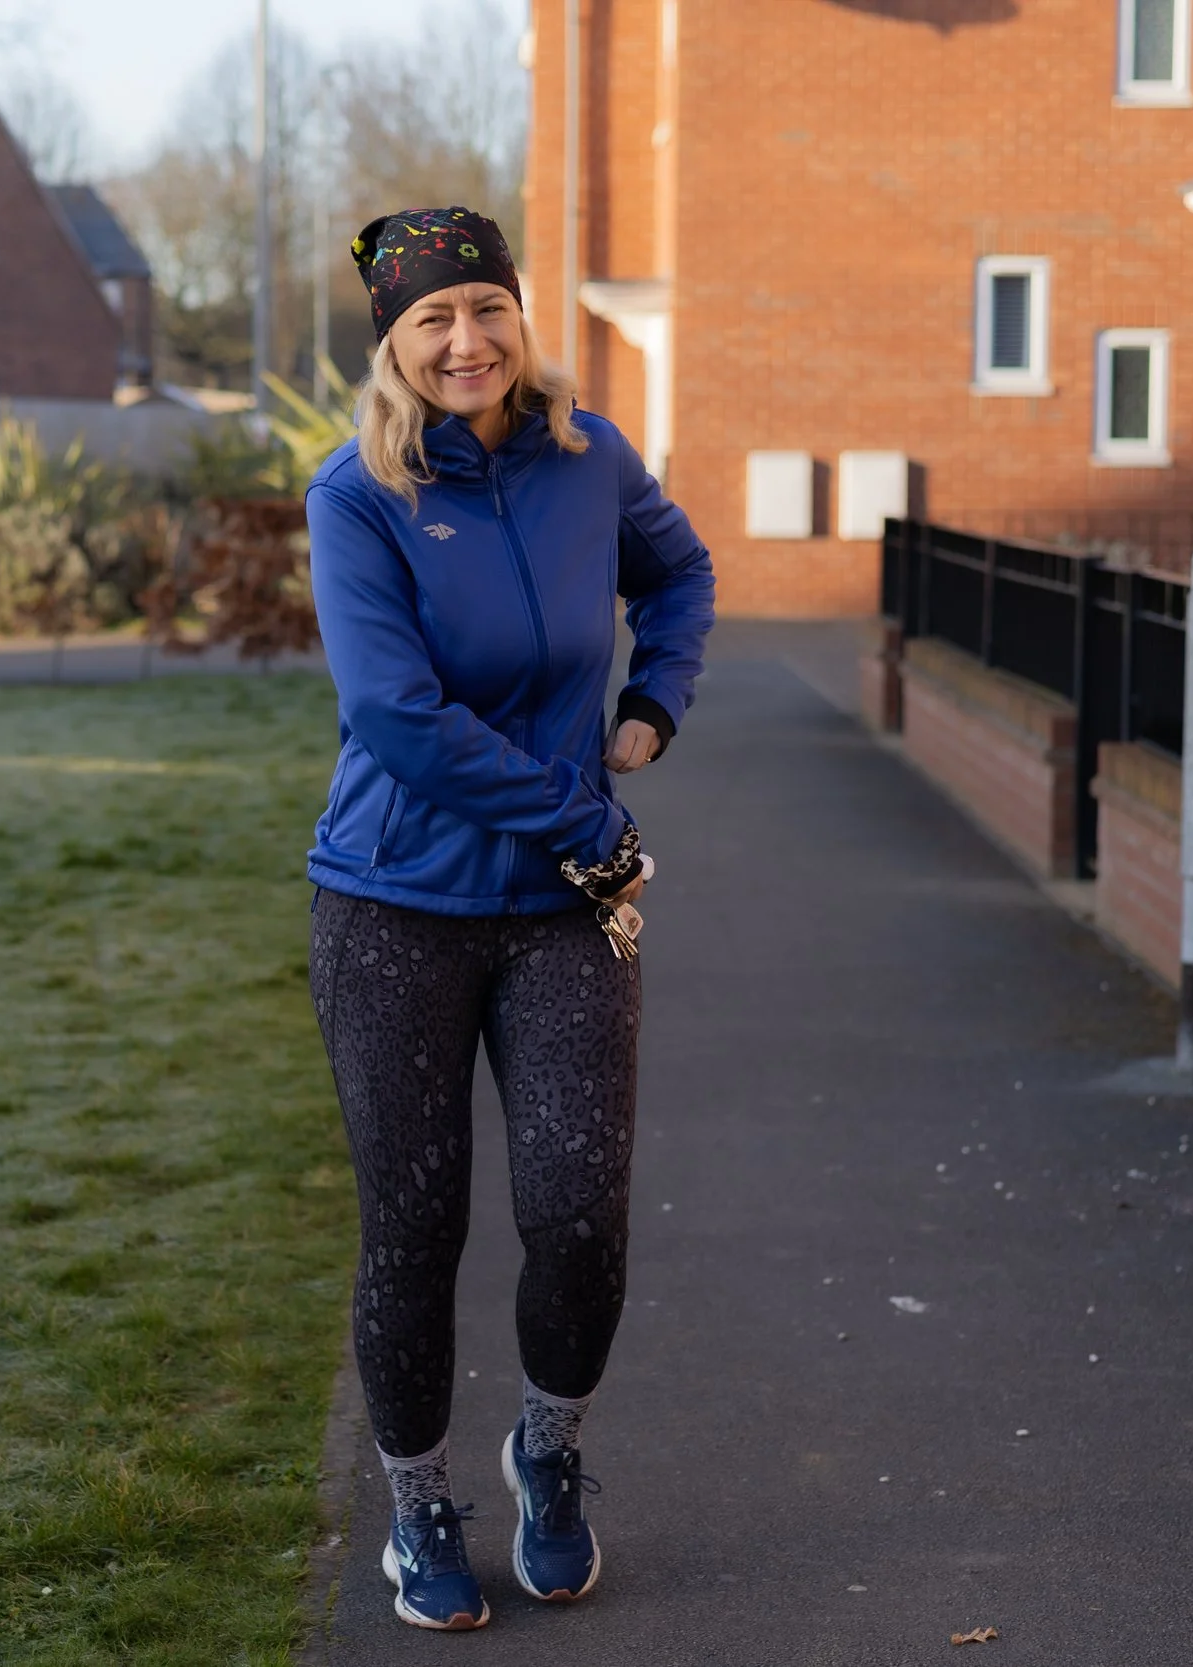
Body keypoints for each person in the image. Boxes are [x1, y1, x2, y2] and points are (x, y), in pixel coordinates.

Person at [304, 205, 716, 1631]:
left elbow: (682, 571)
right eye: (432, 320)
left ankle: (547, 1451)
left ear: (521, 319)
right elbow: (396, 718)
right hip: (392, 907)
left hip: (559, 914)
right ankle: (418, 1500)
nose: (466, 340)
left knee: (580, 1215)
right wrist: (589, 819)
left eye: (486, 308)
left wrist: (656, 698)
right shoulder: (354, 495)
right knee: (415, 1226)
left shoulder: (588, 458)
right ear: (394, 345)